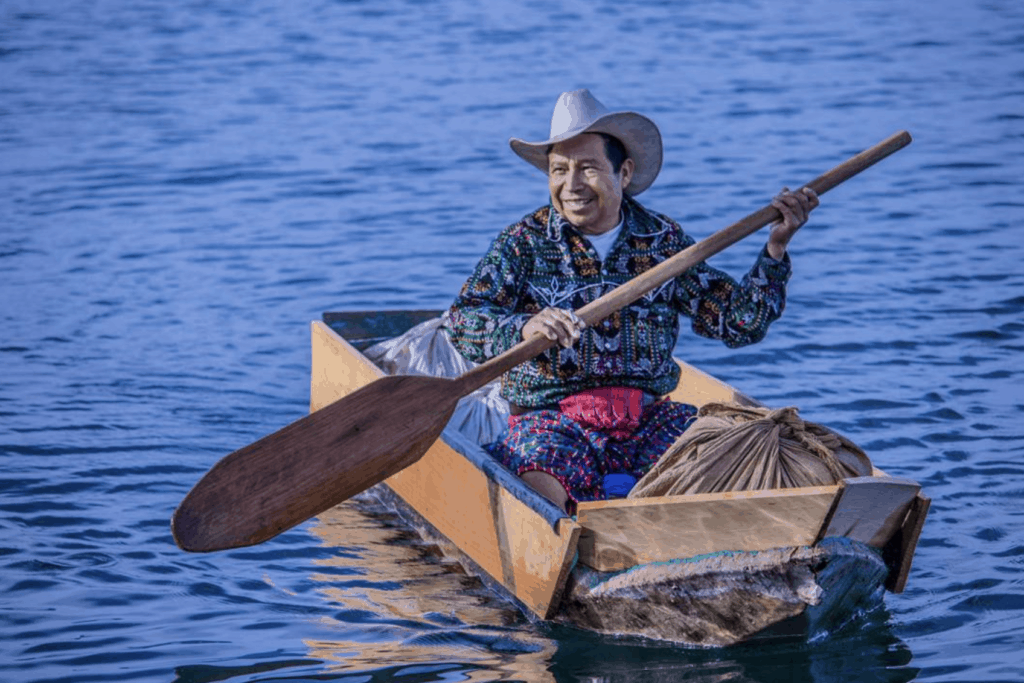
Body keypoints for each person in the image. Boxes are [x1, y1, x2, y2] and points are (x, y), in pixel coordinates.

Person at [442, 89, 818, 513]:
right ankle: (575, 548)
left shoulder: (663, 242)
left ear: (623, 172)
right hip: (552, 422)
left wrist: (775, 249)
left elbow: (739, 323)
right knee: (534, 473)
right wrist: (524, 327)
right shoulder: (523, 244)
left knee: (716, 457)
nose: (571, 186)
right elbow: (462, 321)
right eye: (559, 170)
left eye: (587, 168)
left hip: (647, 420)